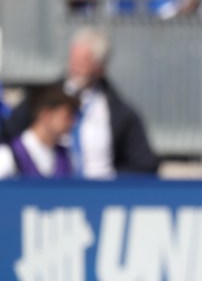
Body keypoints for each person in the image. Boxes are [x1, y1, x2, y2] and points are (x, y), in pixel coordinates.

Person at [3, 28, 158, 178]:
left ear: (100, 67)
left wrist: (113, 180)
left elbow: (143, 164)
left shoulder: (120, 112)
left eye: (84, 61)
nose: (75, 66)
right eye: (73, 58)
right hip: (51, 189)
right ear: (45, 115)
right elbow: (10, 133)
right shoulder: (42, 98)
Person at [0, 87, 79, 179]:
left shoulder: (67, 156)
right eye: (67, 117)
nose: (73, 122)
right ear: (46, 116)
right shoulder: (8, 154)